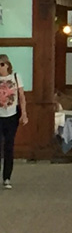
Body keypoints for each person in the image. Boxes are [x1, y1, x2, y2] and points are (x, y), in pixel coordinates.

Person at [0, 54, 28, 189]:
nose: (0, 68)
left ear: (7, 65)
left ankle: (7, 177)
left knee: (9, 146)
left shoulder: (16, 77)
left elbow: (21, 96)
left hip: (11, 116)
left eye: (2, 64)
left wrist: (24, 114)